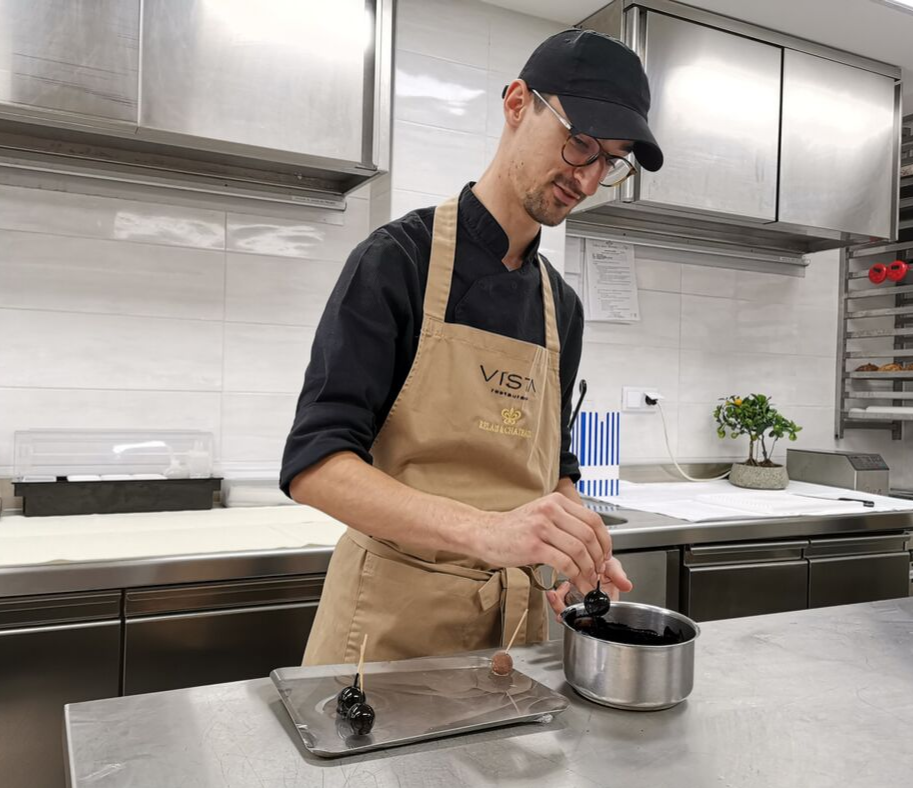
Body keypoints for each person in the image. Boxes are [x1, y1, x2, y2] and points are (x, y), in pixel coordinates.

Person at [280, 28, 664, 665]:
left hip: (513, 637)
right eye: (580, 143)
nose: (588, 178)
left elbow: (554, 467)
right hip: (387, 636)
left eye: (610, 161)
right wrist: (488, 532)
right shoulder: (396, 261)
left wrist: (576, 545)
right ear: (516, 103)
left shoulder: (561, 307)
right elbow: (314, 466)